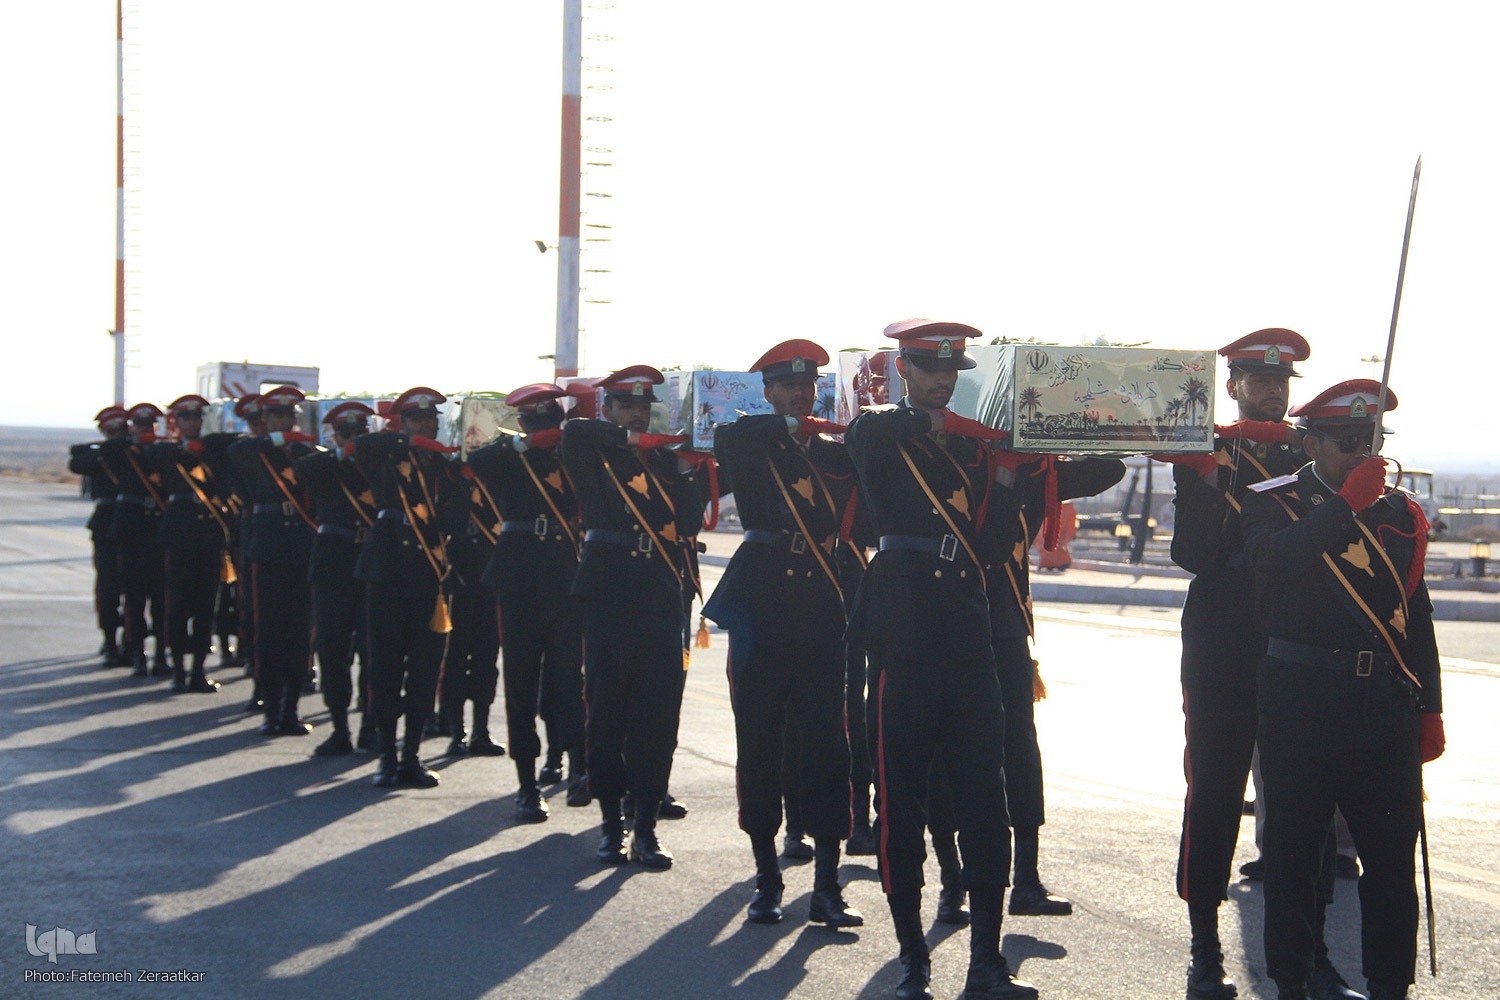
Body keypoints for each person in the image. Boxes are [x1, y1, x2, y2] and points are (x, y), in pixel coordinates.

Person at [1151, 328, 1367, 999]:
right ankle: (1205, 948)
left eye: (1280, 382)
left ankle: (1311, 956)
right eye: (1259, 380)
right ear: (1234, 385)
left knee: (1307, 802)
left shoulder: (1313, 451)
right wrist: (1205, 479)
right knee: (1214, 794)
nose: (1272, 391)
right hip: (1222, 635)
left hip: (1293, 638)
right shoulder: (1209, 447)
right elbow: (1192, 554)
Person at [846, 319, 1038, 1000]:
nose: (942, 380)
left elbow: (989, 548)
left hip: (966, 631)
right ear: (903, 369)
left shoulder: (972, 452)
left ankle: (987, 959)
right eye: (929, 367)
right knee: (900, 801)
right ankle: (912, 959)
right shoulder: (878, 429)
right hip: (904, 632)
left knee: (986, 801)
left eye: (952, 370)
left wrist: (1007, 473)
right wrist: (964, 428)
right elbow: (872, 434)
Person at [1242, 379, 1444, 1000]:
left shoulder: (1400, 513)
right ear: (1311, 444)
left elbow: (1415, 618)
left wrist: (1431, 709)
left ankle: (1389, 985)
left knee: (1391, 862)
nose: (1362, 454)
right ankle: (1294, 981)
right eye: (1347, 442)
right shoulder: (1275, 502)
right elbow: (1270, 565)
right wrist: (1345, 507)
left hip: (1382, 708)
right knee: (1295, 858)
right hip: (1301, 703)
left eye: (1370, 441)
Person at [704, 338, 863, 927]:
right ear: (768, 392)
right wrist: (795, 425)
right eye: (789, 386)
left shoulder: (836, 455)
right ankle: (766, 876)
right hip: (762, 612)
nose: (801, 393)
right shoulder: (752, 442)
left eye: (808, 385)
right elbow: (729, 438)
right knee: (760, 744)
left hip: (821, 609)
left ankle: (827, 884)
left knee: (828, 749)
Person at [979, 449, 1126, 919]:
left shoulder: (1040, 470)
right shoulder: (959, 458)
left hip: (1007, 627)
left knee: (1021, 754)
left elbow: (1110, 469)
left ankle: (1026, 879)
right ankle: (954, 882)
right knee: (954, 755)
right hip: (954, 622)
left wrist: (1059, 434)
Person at [561, 365, 695, 870]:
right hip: (609, 593)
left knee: (657, 716)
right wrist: (633, 439)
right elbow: (575, 430)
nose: (637, 413)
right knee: (608, 712)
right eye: (626, 406)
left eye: (643, 406)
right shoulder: (595, 454)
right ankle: (610, 825)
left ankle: (645, 826)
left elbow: (688, 518)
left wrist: (693, 460)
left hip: (660, 594)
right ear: (609, 409)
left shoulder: (665, 460)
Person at [468, 383, 585, 823]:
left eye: (550, 420)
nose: (544, 428)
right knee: (521, 684)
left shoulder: (571, 452)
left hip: (566, 575)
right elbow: (477, 462)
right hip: (519, 577)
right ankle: (526, 783)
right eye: (535, 422)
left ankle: (577, 763)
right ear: (522, 423)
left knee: (568, 679)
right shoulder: (507, 454)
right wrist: (523, 443)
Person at [354, 387, 471, 788]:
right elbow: (363, 446)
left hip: (429, 579)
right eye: (418, 419)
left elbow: (454, 524)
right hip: (387, 572)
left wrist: (463, 479)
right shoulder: (388, 458)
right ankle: (386, 755)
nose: (426, 425)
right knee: (385, 668)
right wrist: (407, 442)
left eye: (431, 420)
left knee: (424, 671)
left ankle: (411, 757)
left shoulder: (444, 468)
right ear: (402, 423)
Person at [227, 386, 321, 736]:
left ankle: (291, 709)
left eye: (289, 415)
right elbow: (234, 453)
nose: (285, 421)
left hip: (302, 549)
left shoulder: (305, 452)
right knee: (268, 631)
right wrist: (275, 439)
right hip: (267, 549)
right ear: (265, 419)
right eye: (278, 415)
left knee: (299, 633)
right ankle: (269, 706)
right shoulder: (255, 452)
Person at [296, 401, 378, 755]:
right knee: (332, 648)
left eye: (360, 433)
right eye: (347, 433)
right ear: (334, 436)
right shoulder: (325, 466)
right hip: (333, 563)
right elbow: (303, 469)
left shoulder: (377, 464)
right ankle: (340, 726)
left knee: (373, 650)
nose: (354, 439)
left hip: (370, 562)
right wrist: (342, 453)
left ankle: (371, 725)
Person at [149, 394, 238, 694]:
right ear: (176, 423)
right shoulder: (168, 451)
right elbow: (153, 454)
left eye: (196, 417)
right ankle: (178, 669)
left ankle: (198, 670)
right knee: (177, 606)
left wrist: (204, 446)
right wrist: (183, 447)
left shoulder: (213, 448)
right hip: (179, 535)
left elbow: (234, 443)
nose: (192, 423)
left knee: (205, 607)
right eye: (185, 418)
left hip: (209, 536)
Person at [437, 438, 507, 761]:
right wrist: (464, 482)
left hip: (491, 579)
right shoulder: (451, 476)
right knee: (455, 658)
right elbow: (447, 522)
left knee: (486, 658)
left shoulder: (500, 477)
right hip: (459, 580)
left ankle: (481, 729)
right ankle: (456, 730)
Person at [99, 402, 169, 677]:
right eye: (139, 425)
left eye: (149, 425)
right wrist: (133, 440)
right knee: (134, 598)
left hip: (158, 531)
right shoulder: (123, 451)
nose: (145, 429)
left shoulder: (161, 451)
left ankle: (161, 654)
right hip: (131, 532)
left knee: (161, 599)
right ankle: (137, 653)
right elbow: (105, 450)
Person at [69, 407, 131, 667]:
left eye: (121, 430)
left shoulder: (133, 453)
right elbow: (77, 463)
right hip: (106, 525)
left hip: (133, 524)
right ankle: (110, 640)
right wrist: (106, 447)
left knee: (135, 587)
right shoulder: (99, 455)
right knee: (107, 586)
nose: (117, 435)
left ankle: (131, 640)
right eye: (111, 431)